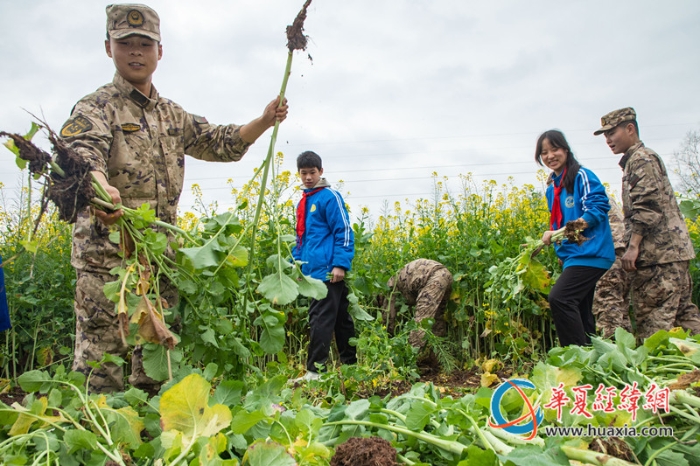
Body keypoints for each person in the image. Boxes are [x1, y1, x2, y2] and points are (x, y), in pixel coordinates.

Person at [60, 4, 288, 393]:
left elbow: (220, 142)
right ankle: (101, 446)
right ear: (107, 48)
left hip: (157, 262)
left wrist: (264, 121)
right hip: (107, 265)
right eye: (125, 43)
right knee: (103, 367)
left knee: (156, 364)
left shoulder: (171, 115)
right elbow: (81, 153)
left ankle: (153, 445)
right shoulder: (96, 107)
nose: (135, 52)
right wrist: (101, 188)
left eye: (144, 44)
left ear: (159, 52)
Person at [594, 107, 700, 339]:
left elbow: (648, 206)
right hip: (673, 254)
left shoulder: (640, 159)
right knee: (685, 318)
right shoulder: (642, 158)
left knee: (653, 329)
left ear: (630, 128)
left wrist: (633, 247)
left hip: (657, 257)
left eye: (612, 133)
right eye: (605, 136)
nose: (608, 140)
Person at [535, 130, 615, 347]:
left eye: (554, 149)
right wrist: (559, 247)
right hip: (574, 257)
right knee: (580, 307)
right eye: (544, 153)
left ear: (566, 150)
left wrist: (560, 233)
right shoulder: (553, 189)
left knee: (560, 298)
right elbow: (557, 222)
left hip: (591, 253)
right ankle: (590, 356)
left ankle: (575, 356)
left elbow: (598, 209)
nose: (550, 155)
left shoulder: (582, 176)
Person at [291, 151, 356, 382]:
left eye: (312, 172)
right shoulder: (304, 202)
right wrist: (295, 265)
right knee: (339, 319)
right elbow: (301, 238)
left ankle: (315, 372)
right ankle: (351, 366)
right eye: (304, 173)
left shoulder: (329, 197)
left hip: (328, 271)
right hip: (312, 273)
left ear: (321, 171)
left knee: (320, 319)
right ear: (299, 174)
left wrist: (340, 264)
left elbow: (344, 230)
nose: (308, 177)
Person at [381, 259, 453, 348]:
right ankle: (440, 353)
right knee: (436, 318)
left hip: (434, 279)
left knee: (421, 322)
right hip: (446, 275)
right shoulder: (397, 278)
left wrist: (388, 336)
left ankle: (413, 357)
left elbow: (388, 316)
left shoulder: (390, 286)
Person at [592, 197, 633, 338]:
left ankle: (611, 351)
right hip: (623, 250)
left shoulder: (579, 193)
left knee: (607, 304)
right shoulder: (597, 193)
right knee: (621, 308)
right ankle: (628, 351)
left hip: (607, 251)